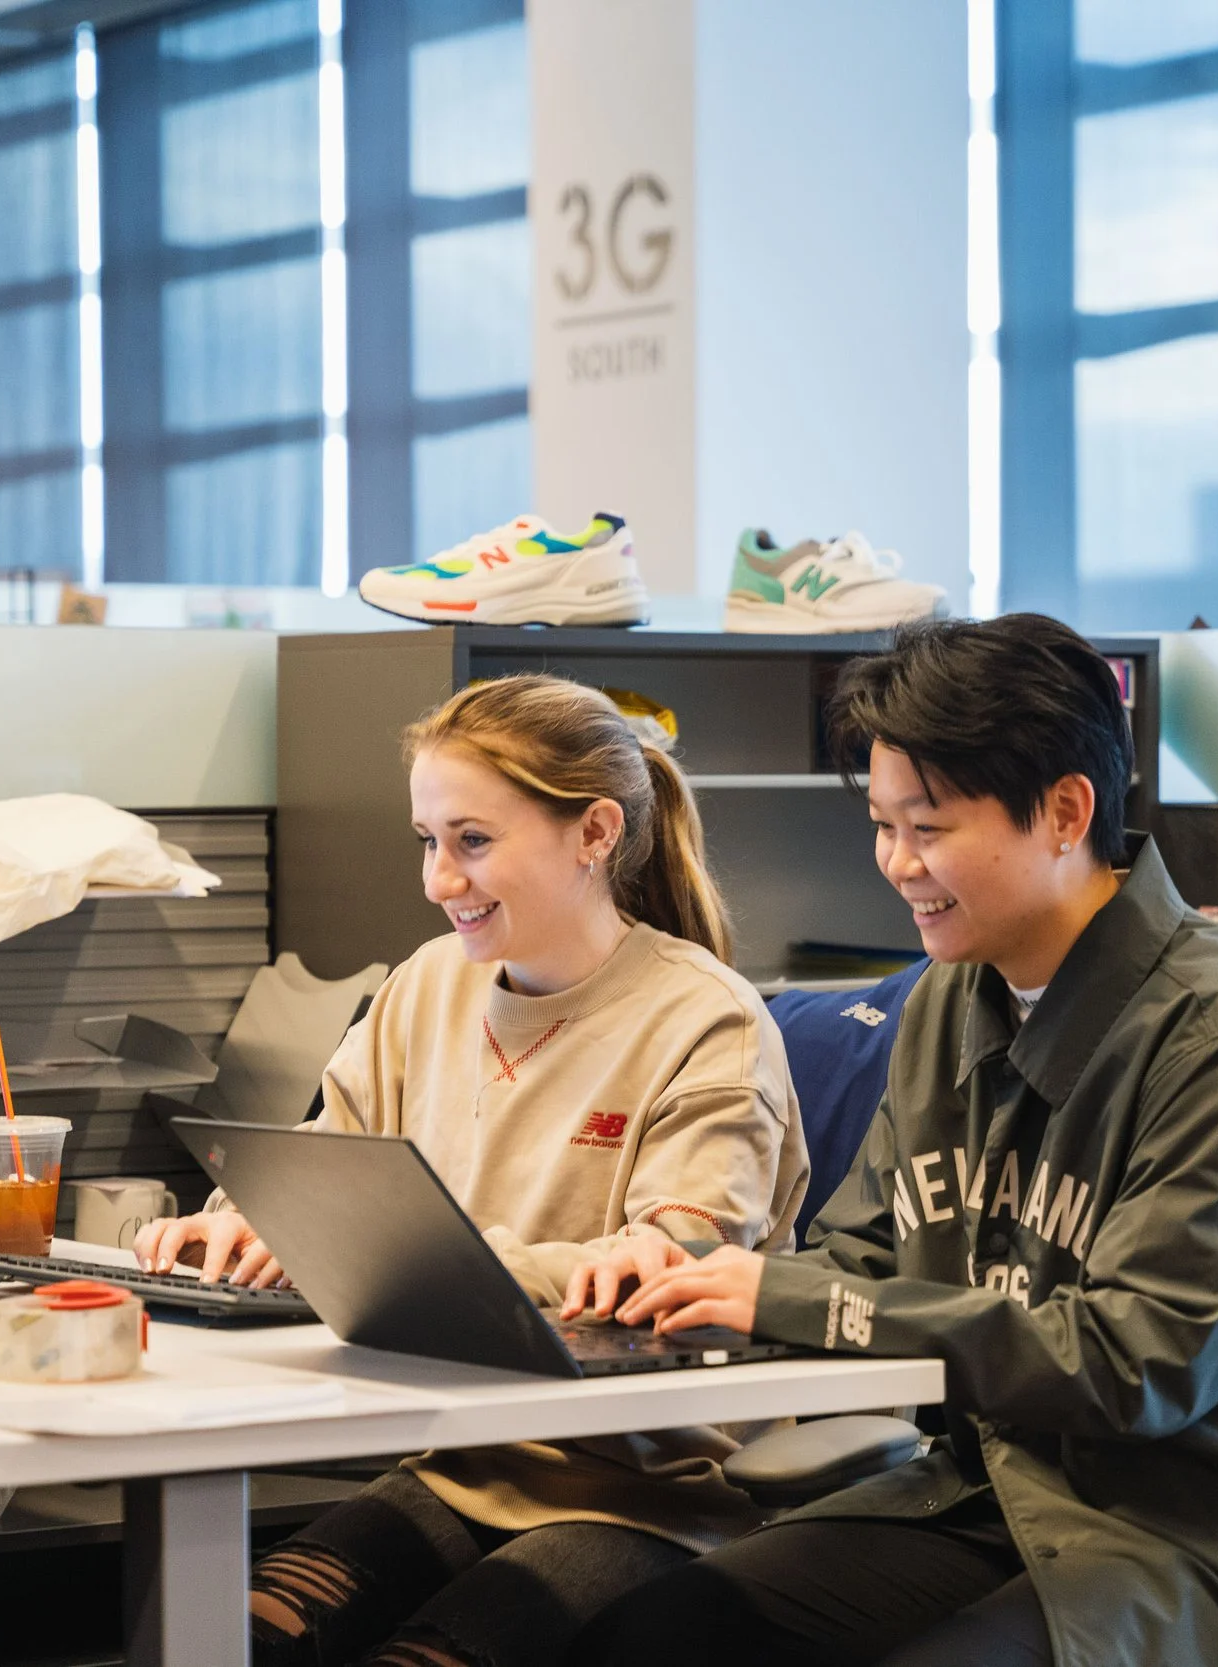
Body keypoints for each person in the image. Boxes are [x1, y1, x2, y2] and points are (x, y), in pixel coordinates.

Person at [566, 615, 1218, 1667]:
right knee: (654, 1631)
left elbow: (1136, 1363)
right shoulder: (948, 1000)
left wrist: (786, 1298)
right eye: (882, 825)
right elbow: (864, 1257)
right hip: (1005, 1491)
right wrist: (695, 1278)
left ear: (1066, 810)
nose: (896, 863)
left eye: (927, 827)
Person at [133, 674, 809, 1667]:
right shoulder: (424, 986)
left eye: (473, 840)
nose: (439, 878)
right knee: (228, 1642)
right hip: (451, 1469)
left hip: (638, 1498)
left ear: (594, 833)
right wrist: (252, 1218)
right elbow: (329, 1155)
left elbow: (673, 1272)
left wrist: (407, 1252)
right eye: (428, 839)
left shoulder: (708, 1021)